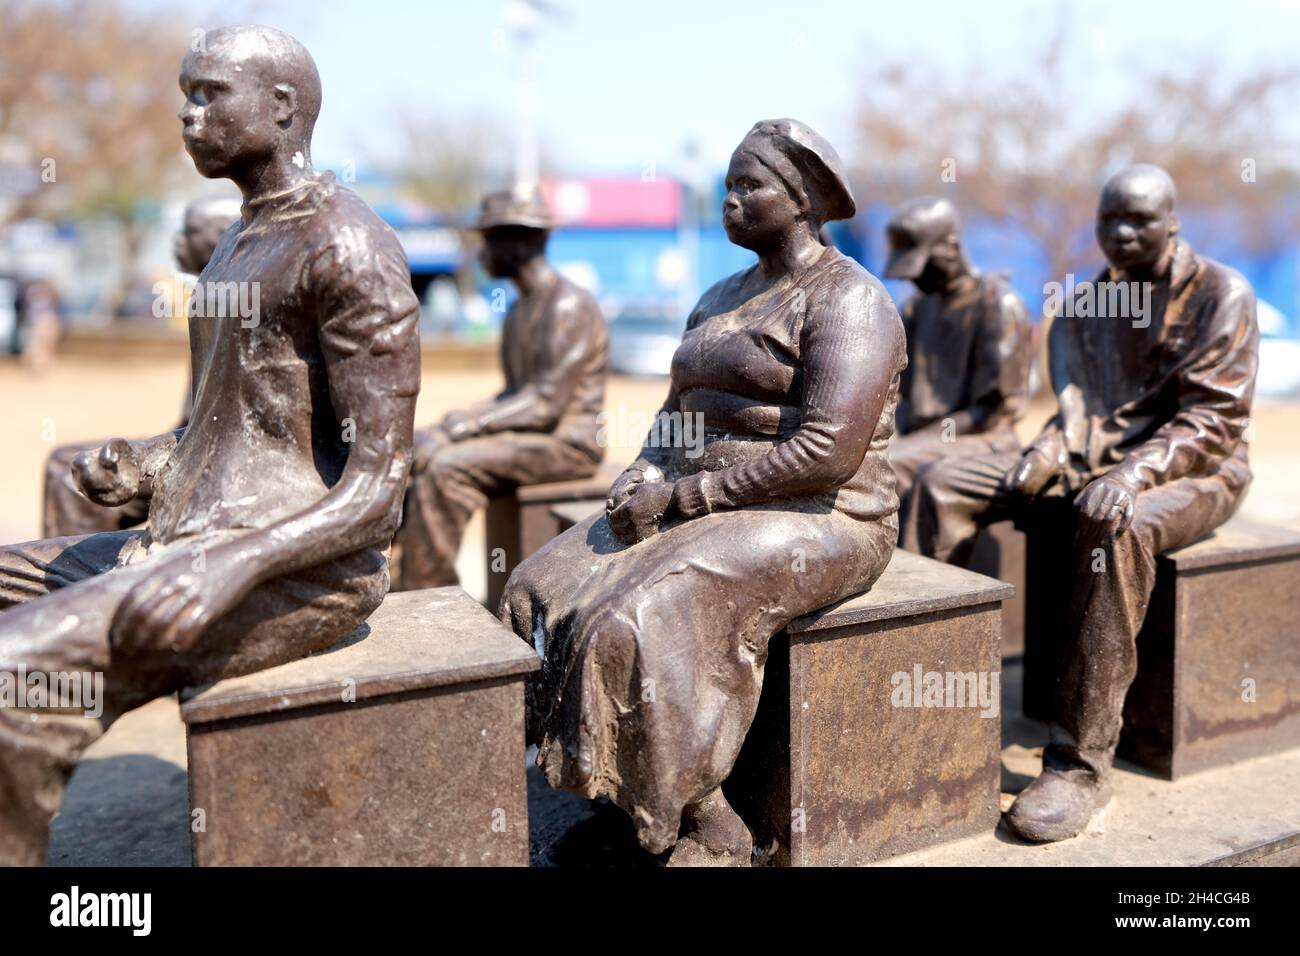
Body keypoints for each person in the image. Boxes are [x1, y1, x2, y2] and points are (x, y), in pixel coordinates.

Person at [0, 25, 421, 865]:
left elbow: (382, 491)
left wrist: (234, 564)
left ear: (281, 107)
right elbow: (219, 430)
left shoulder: (347, 245)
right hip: (186, 540)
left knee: (13, 675)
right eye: (184, 95)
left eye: (207, 95)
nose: (186, 116)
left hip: (299, 571)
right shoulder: (238, 239)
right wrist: (144, 462)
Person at [500, 119, 906, 865]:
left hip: (826, 514)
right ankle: (620, 794)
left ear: (803, 200)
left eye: (750, 185)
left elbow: (827, 451)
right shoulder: (719, 296)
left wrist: (687, 500)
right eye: (727, 186)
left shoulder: (851, 300)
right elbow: (674, 415)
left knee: (640, 612)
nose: (730, 200)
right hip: (701, 497)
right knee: (537, 588)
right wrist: (645, 471)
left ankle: (709, 826)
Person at [903, 164, 1258, 842]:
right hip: (1093, 459)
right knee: (945, 482)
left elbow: (1213, 421)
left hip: (1198, 470)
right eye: (1109, 220)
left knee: (1113, 525)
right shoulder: (1085, 305)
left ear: (1172, 222)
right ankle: (924, 695)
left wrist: (1131, 476)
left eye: (1139, 220)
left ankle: (1080, 765)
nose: (1121, 234)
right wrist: (1044, 454)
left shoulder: (1222, 294)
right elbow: (1078, 412)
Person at [390, 188, 606, 590]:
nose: (482, 253)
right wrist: (448, 425)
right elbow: (513, 396)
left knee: (447, 470)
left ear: (521, 243)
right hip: (534, 433)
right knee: (422, 453)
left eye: (489, 241)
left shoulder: (566, 306)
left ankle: (429, 598)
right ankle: (400, 581)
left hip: (568, 442)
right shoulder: (519, 309)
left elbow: (544, 403)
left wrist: (459, 430)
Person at [40, 195, 241, 538]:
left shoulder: (238, 305)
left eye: (190, 232)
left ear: (223, 238)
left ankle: (81, 584)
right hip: (192, 445)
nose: (178, 241)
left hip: (222, 462)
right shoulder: (210, 299)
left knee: (68, 474)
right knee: (71, 463)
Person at [883, 197, 1031, 508]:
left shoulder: (997, 305)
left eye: (921, 264)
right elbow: (896, 393)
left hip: (984, 440)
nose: (913, 276)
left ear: (950, 248)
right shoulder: (917, 307)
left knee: (888, 464)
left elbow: (989, 412)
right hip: (918, 438)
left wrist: (913, 443)